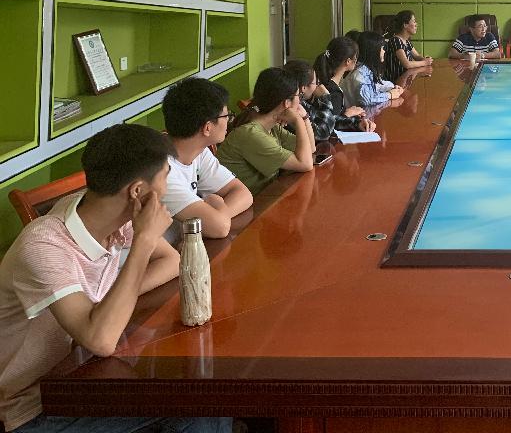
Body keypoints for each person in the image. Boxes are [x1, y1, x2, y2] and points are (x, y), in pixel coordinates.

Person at [0, 124, 230, 433]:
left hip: (87, 374)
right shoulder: (44, 246)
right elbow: (102, 340)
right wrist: (144, 241)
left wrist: (108, 305)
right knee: (202, 406)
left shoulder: (104, 212)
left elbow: (171, 262)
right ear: (137, 191)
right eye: (165, 176)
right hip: (35, 407)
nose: (167, 188)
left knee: (209, 394)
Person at [160, 77, 253, 242]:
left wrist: (219, 215)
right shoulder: (160, 170)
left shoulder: (199, 151)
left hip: (186, 245)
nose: (229, 120)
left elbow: (243, 194)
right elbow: (219, 228)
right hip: (164, 254)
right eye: (227, 116)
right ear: (208, 127)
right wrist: (216, 204)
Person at [215, 67, 316, 192]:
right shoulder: (251, 134)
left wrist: (305, 118)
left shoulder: (272, 128)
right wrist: (298, 120)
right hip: (251, 202)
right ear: (286, 103)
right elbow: (305, 164)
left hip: (265, 196)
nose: (299, 102)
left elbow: (311, 149)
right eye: (298, 96)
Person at [282, 58, 375, 141]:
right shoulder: (291, 108)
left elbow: (328, 120)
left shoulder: (301, 103)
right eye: (315, 82)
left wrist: (357, 123)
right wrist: (325, 98)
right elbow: (323, 132)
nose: (318, 86)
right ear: (303, 88)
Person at [341, 32, 405, 107]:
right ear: (373, 51)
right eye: (382, 48)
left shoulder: (366, 70)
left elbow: (377, 85)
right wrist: (389, 95)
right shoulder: (359, 74)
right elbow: (367, 100)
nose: (384, 51)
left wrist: (392, 87)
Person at [314, 36, 365, 120]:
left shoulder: (323, 82)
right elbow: (331, 123)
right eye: (355, 58)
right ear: (348, 61)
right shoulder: (334, 93)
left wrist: (348, 112)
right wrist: (347, 115)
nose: (356, 61)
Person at [383, 10, 433, 82]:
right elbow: (407, 64)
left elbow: (416, 56)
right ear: (405, 25)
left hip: (405, 79)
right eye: (414, 21)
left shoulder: (406, 41)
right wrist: (425, 62)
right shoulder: (396, 40)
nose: (416, 24)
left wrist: (425, 59)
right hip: (395, 83)